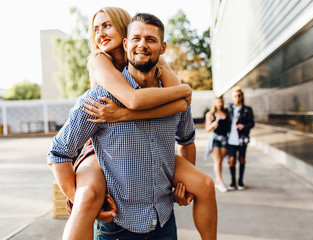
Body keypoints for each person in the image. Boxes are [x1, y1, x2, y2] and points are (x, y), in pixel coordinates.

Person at [48, 9, 217, 240]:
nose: (101, 34)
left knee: (205, 184)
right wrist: (77, 199)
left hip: (163, 221)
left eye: (107, 26)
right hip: (99, 151)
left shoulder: (165, 79)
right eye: (136, 39)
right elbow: (134, 100)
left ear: (162, 47)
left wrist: (183, 187)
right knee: (87, 198)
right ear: (127, 43)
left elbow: (182, 115)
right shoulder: (100, 71)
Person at [227, 86, 254, 190]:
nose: (237, 97)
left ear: (242, 96)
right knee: (232, 160)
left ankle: (241, 181)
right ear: (232, 97)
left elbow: (252, 123)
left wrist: (243, 126)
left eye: (239, 95)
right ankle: (233, 182)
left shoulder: (247, 109)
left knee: (242, 159)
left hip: (242, 138)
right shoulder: (229, 109)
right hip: (231, 139)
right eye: (235, 96)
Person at [204, 96, 230, 193]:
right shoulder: (211, 114)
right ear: (214, 103)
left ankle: (218, 181)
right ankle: (219, 181)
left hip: (224, 140)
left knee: (221, 161)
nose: (219, 104)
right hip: (215, 139)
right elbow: (207, 129)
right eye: (218, 102)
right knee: (217, 161)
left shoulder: (226, 114)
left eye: (221, 102)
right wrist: (212, 124)